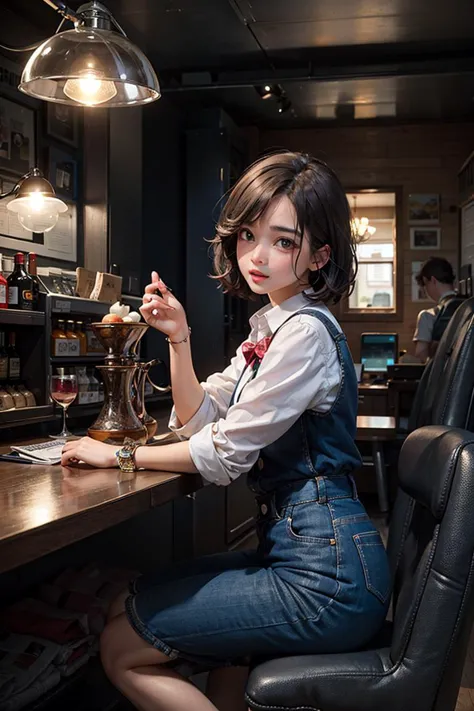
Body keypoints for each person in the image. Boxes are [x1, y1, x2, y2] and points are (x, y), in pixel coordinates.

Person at [61, 151, 391, 711]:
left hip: (328, 574)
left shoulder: (305, 334)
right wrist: (179, 338)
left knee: (119, 645)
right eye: (247, 235)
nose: (256, 256)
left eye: (283, 242)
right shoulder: (271, 328)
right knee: (128, 600)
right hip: (303, 551)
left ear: (320, 255)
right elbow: (203, 418)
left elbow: (224, 454)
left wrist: (117, 457)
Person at [413, 257, 460, 362]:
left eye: (425, 285)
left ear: (432, 280)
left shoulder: (428, 316)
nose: (426, 291)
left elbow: (421, 356)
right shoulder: (469, 308)